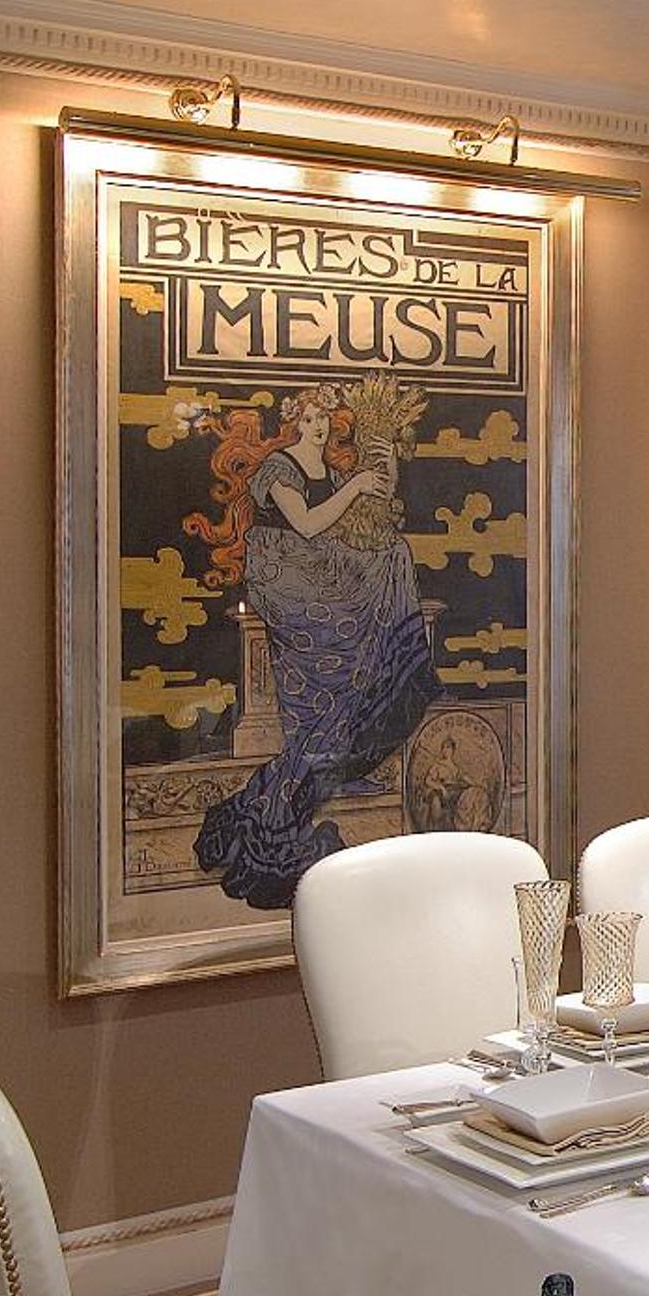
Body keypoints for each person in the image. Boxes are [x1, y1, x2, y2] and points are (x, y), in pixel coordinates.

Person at [186, 383, 436, 909]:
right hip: (285, 571)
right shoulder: (279, 469)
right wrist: (355, 486)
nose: (319, 427)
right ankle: (303, 779)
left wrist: (385, 465)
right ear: (294, 422)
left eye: (325, 418)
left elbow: (371, 507)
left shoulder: (331, 469)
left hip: (320, 566)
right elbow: (305, 525)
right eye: (309, 418)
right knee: (368, 587)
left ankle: (346, 743)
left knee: (395, 552)